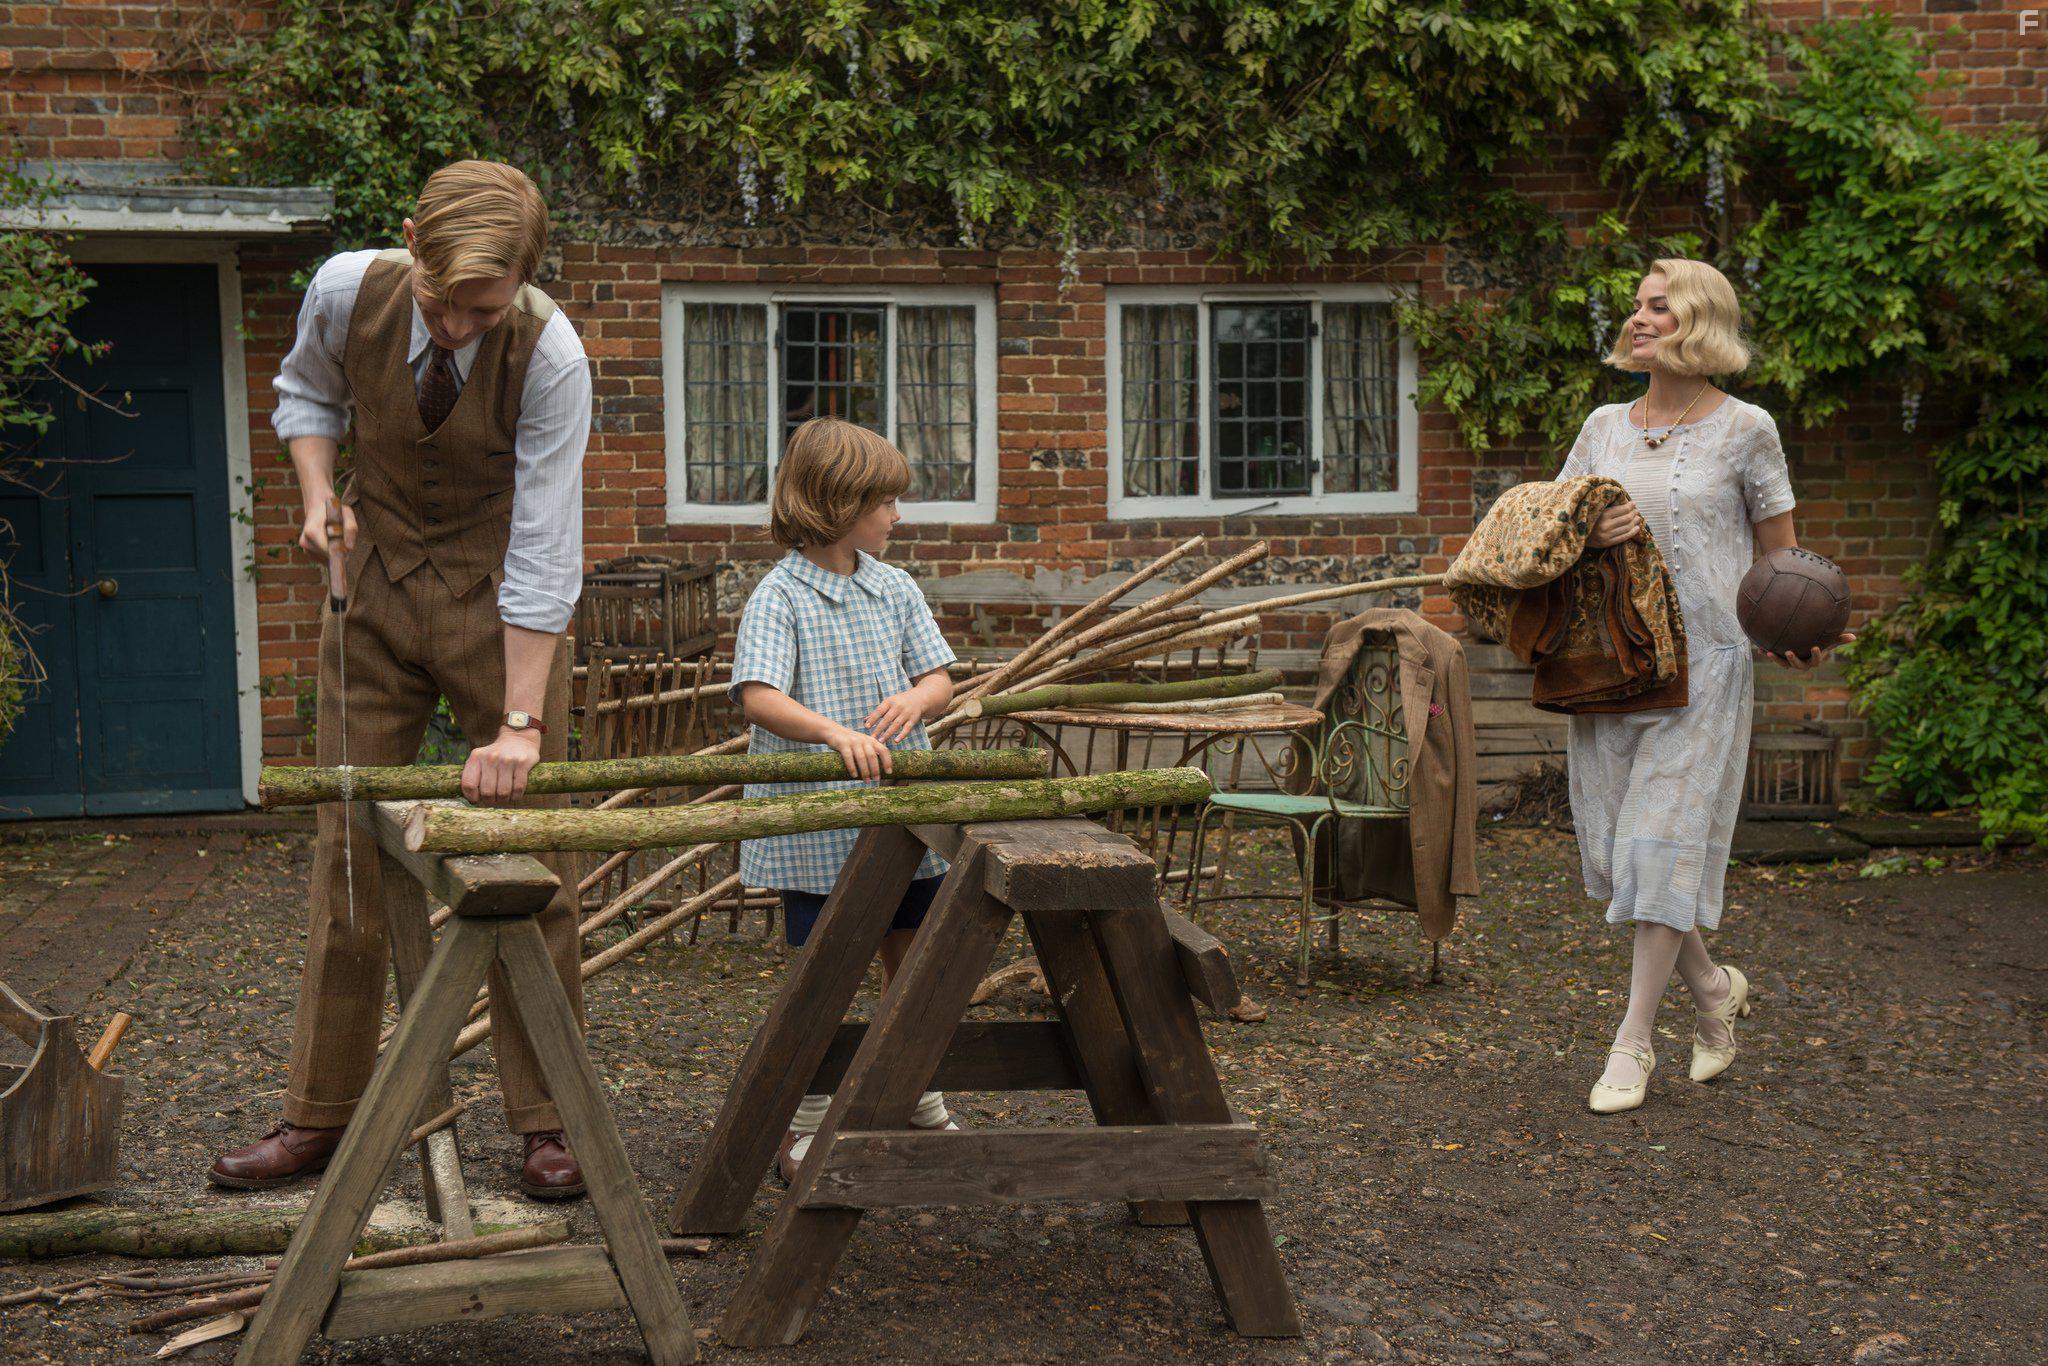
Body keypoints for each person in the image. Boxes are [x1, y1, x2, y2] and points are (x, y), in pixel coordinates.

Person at [210, 160, 595, 1197]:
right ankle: (319, 1113)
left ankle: (550, 1119)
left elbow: (549, 545)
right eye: (445, 302)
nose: (463, 327)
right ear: (412, 239)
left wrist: (518, 722)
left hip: (497, 603)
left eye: (487, 307)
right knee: (347, 849)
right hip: (369, 596)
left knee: (534, 859)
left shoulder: (552, 354)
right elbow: (304, 394)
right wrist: (318, 490)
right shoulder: (343, 289)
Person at [1560, 258, 1853, 1114]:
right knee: (1623, 857)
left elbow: (1781, 563)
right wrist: (1589, 527)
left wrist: (1798, 634)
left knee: (1661, 848)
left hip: (1709, 665)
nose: (1641, 318)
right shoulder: (1604, 425)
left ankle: (1632, 1042)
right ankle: (1716, 992)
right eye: (1639, 306)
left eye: (1662, 306)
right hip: (1611, 663)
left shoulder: (1746, 429)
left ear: (1701, 323)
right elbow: (1545, 530)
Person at [728, 418, 961, 1182]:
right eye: (885, 502)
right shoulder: (780, 595)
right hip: (818, 830)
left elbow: (940, 677)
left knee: (911, 963)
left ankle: (912, 1094)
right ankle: (802, 1118)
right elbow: (759, 697)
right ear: (837, 502)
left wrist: (915, 700)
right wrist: (833, 734)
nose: (897, 516)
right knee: (825, 973)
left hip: (902, 819)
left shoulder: (893, 586)